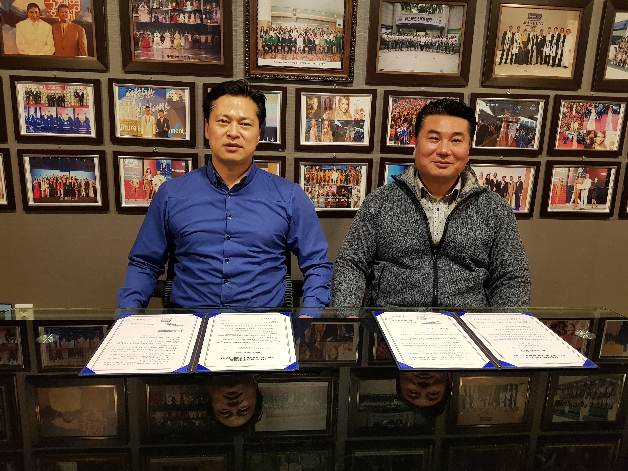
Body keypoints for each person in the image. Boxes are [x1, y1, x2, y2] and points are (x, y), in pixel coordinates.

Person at [118, 79, 333, 309]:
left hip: (262, 324)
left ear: (258, 134)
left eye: (245, 124)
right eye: (223, 121)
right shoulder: (171, 194)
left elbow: (317, 265)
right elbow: (144, 264)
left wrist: (309, 316)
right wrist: (128, 318)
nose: (233, 132)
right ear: (207, 128)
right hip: (190, 322)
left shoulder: (289, 196)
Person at [331, 99, 531, 308]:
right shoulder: (379, 202)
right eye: (434, 138)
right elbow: (351, 264)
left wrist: (503, 324)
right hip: (392, 321)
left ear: (468, 150)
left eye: (456, 140)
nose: (444, 150)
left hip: (467, 322)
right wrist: (348, 317)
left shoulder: (494, 208)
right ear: (416, 145)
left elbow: (513, 277)